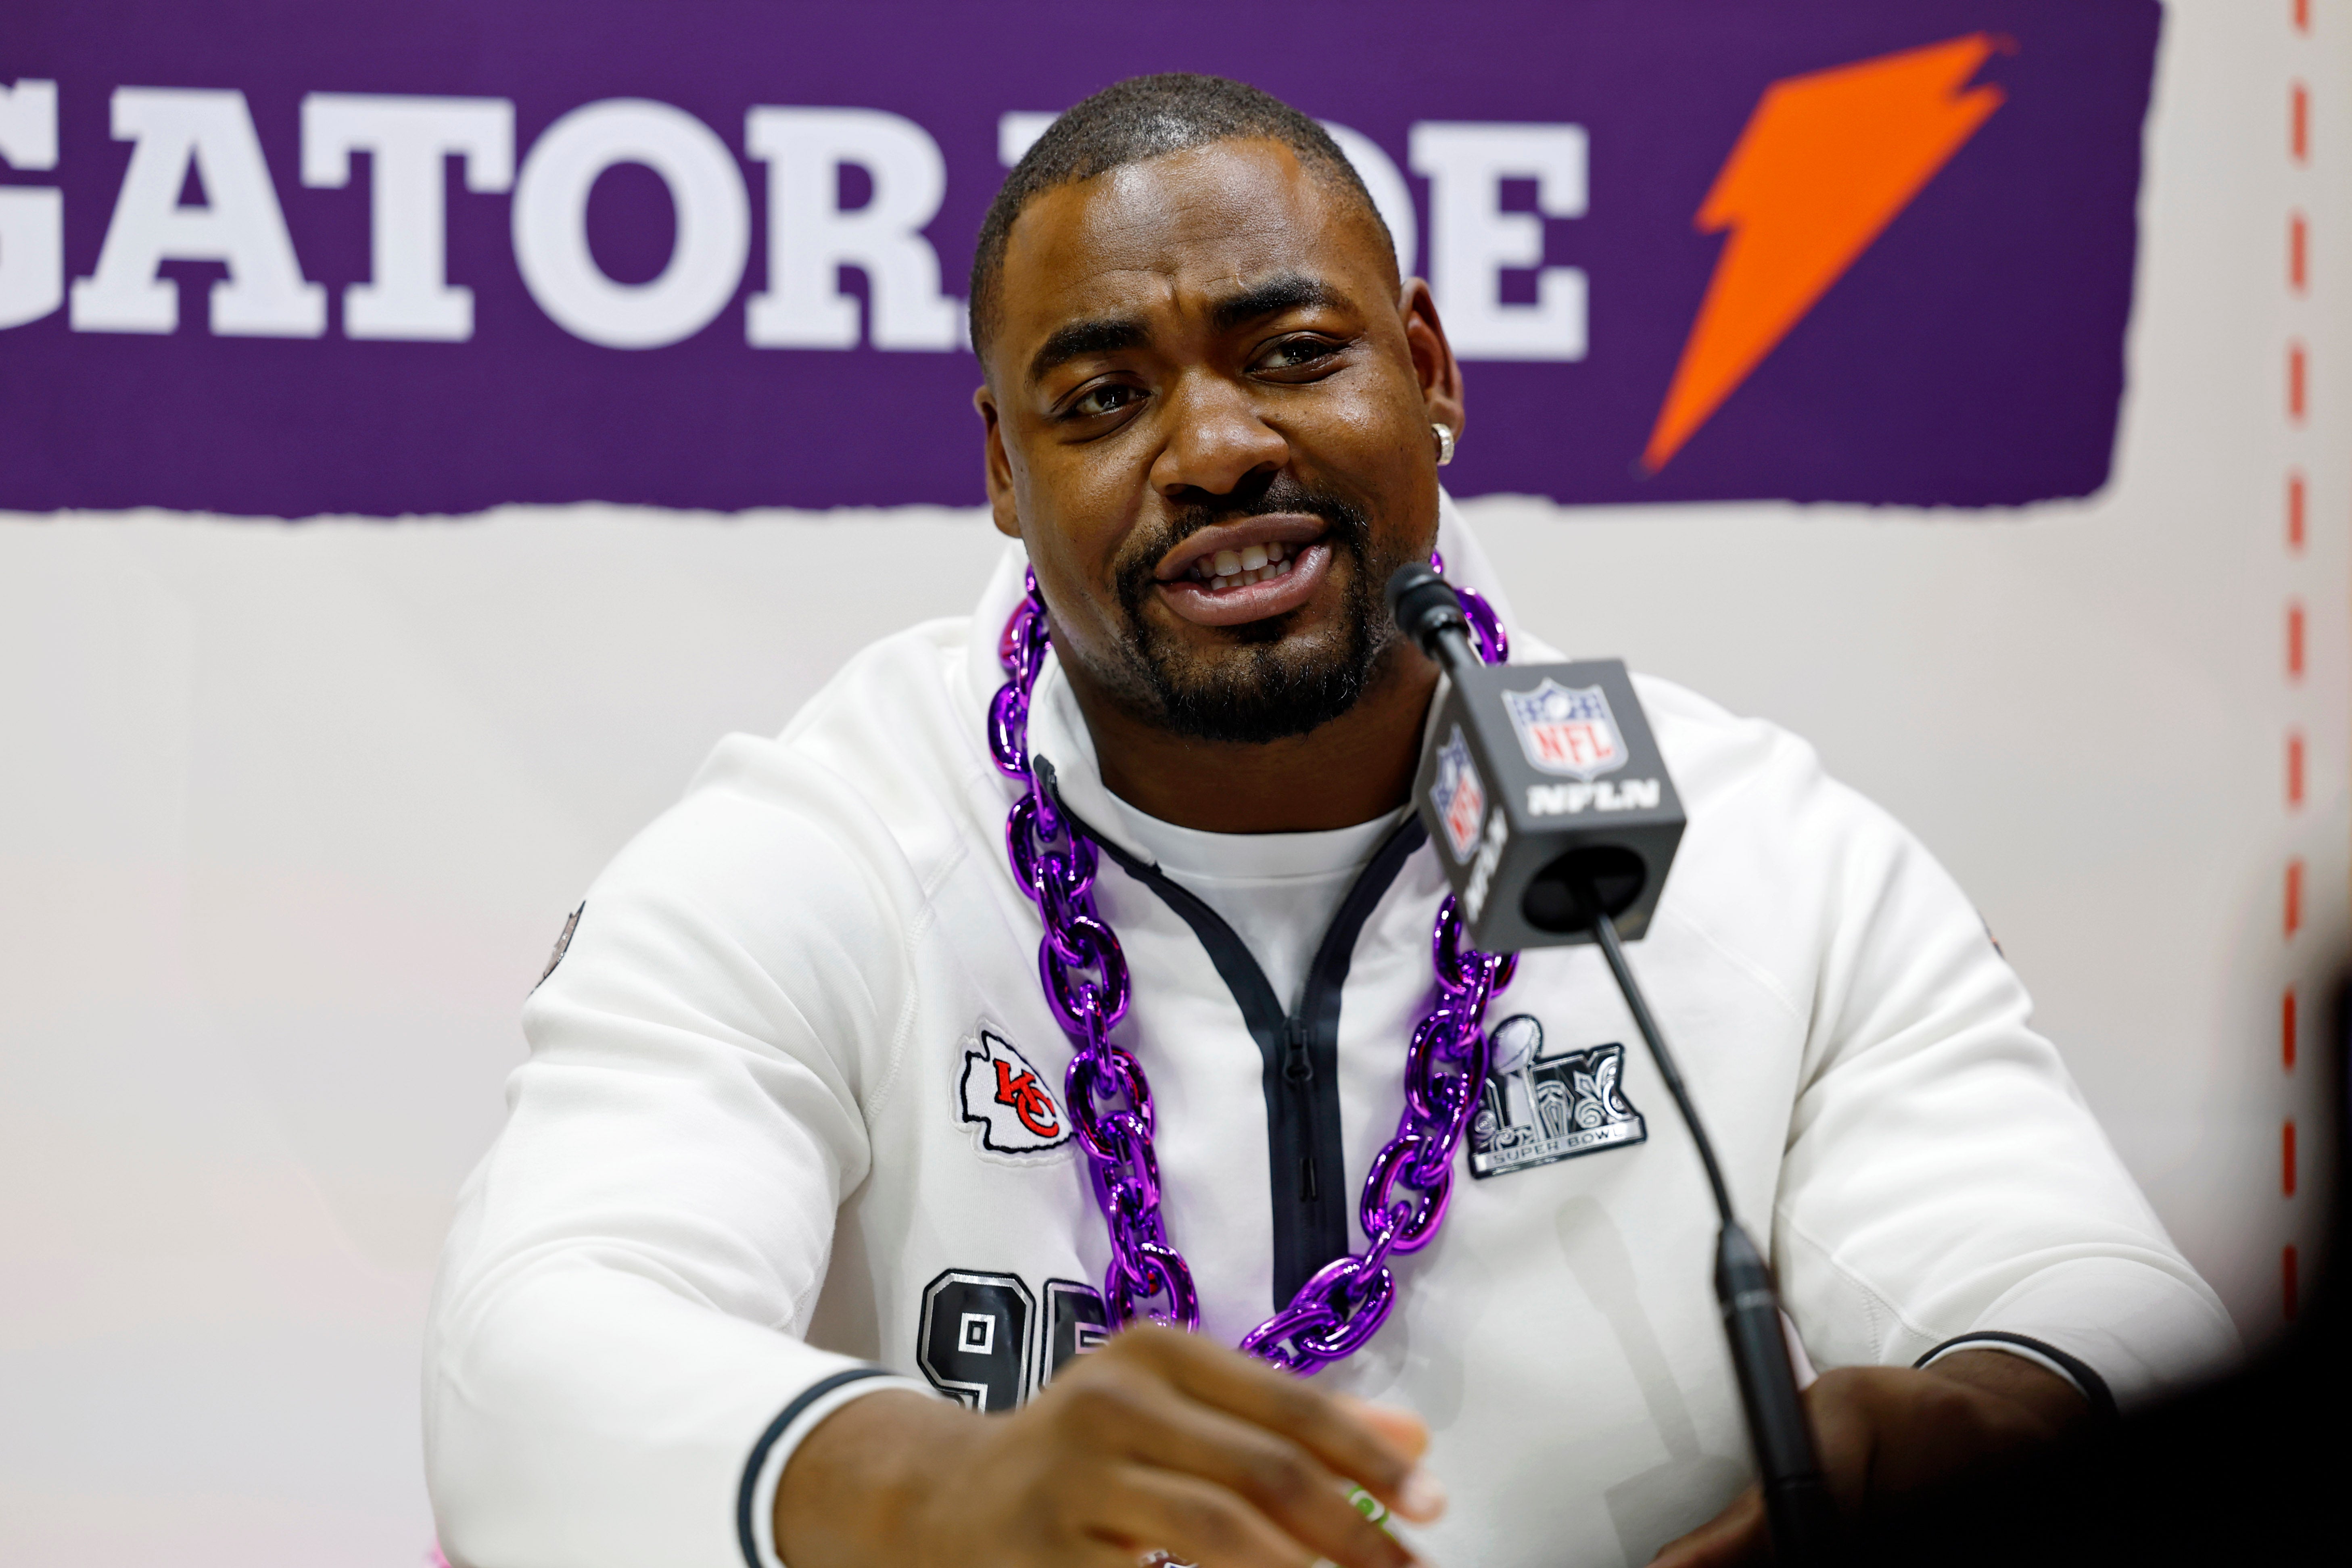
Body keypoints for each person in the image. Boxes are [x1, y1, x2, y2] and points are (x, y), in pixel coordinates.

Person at [423, 75, 2236, 1568]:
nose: (1212, 448)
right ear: (1000, 467)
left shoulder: (1756, 850)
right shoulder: (819, 849)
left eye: (1290, 353)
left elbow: (2092, 1291)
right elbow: (530, 1364)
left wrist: (1984, 1423)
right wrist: (934, 1488)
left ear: (1430, 372)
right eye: (1105, 397)